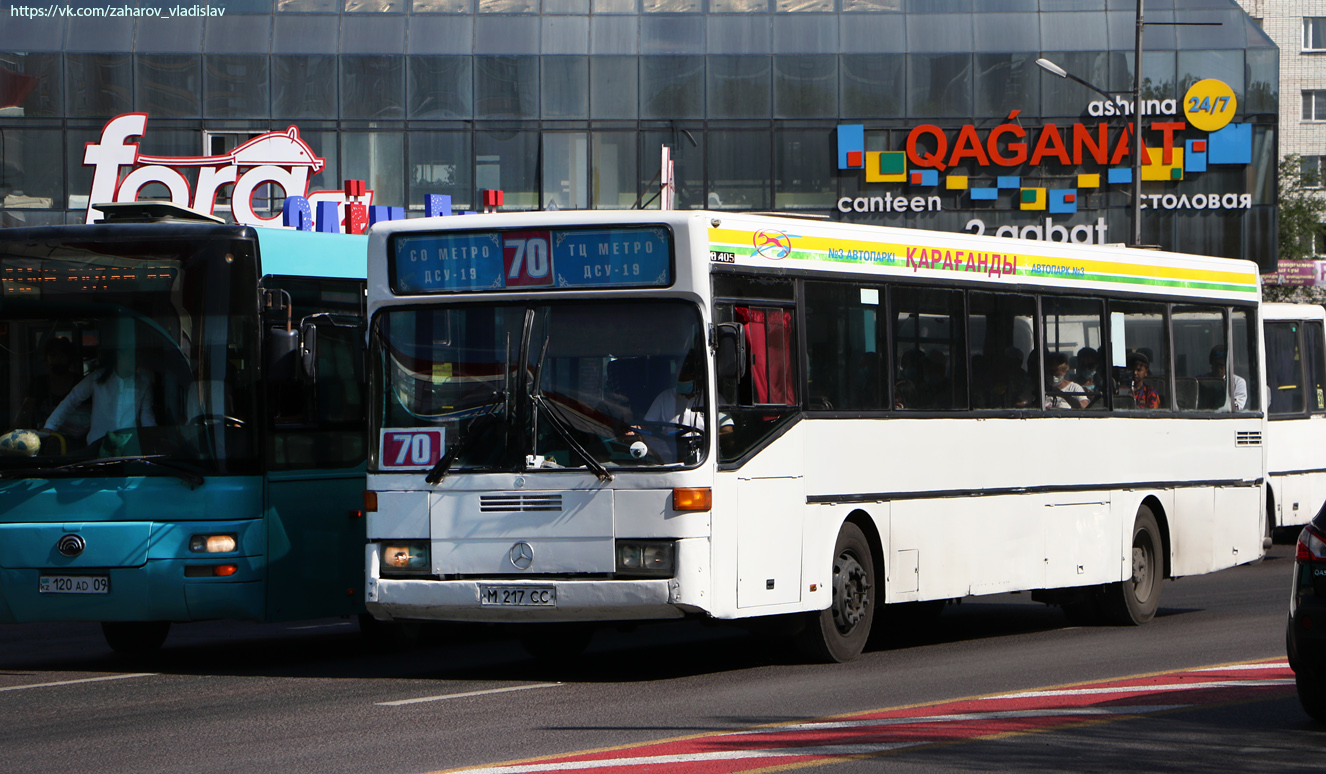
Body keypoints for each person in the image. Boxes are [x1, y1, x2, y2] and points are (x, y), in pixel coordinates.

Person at [44, 342, 156, 445]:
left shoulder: (143, 382)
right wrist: (50, 426)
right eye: (131, 356)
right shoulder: (97, 378)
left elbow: (147, 415)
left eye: (138, 356)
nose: (136, 360)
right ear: (119, 355)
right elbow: (72, 400)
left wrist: (153, 439)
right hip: (99, 444)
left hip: (129, 446)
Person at [17, 337, 80, 429]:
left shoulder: (81, 383)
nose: (58, 359)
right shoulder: (38, 384)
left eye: (63, 354)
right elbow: (26, 409)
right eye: (53, 354)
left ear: (70, 357)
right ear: (46, 358)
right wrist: (15, 427)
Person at [1204, 345, 1248, 411]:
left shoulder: (1238, 382)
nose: (1219, 369)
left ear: (1228, 366)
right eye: (1217, 365)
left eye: (1222, 365)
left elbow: (1237, 407)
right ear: (1212, 365)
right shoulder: (1203, 380)